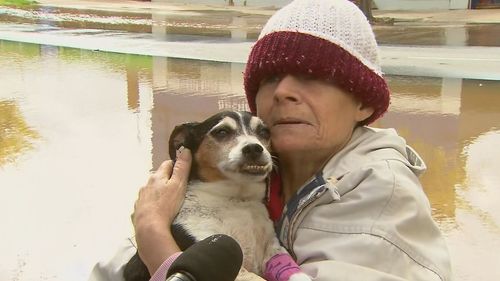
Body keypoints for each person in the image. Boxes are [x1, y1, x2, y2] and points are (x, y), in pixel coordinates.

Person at [89, 0, 452, 280]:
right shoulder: (248, 173)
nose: (283, 92)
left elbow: (154, 243)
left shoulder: (381, 195)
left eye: (312, 76)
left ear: (364, 102)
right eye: (270, 77)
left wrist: (161, 249)